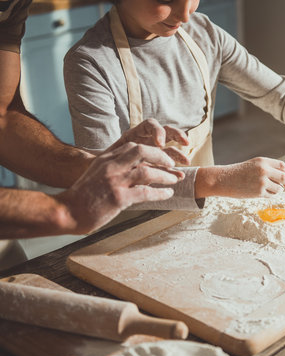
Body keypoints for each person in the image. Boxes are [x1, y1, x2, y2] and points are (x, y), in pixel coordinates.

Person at [64, 0, 285, 210]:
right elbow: (103, 181)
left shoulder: (203, 33)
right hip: (125, 228)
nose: (185, 14)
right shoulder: (91, 62)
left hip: (203, 212)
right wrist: (220, 181)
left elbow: (282, 94)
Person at [0, 0, 192, 270]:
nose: (185, 14)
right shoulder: (89, 57)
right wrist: (61, 211)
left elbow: (4, 116)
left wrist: (95, 164)